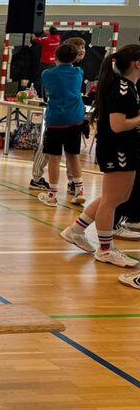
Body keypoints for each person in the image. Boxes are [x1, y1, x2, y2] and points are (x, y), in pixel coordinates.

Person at [62, 45, 140, 269]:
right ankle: (105, 250)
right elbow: (118, 125)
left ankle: (76, 230)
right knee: (112, 200)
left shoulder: (128, 86)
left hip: (125, 148)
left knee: (115, 196)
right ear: (137, 63)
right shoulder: (122, 88)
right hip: (118, 149)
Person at [30, 37, 87, 191]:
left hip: (57, 119)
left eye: (83, 47)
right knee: (66, 154)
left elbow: (45, 95)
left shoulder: (48, 74)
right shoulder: (78, 72)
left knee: (60, 155)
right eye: (79, 48)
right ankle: (39, 178)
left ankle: (60, 188)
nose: (82, 50)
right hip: (73, 118)